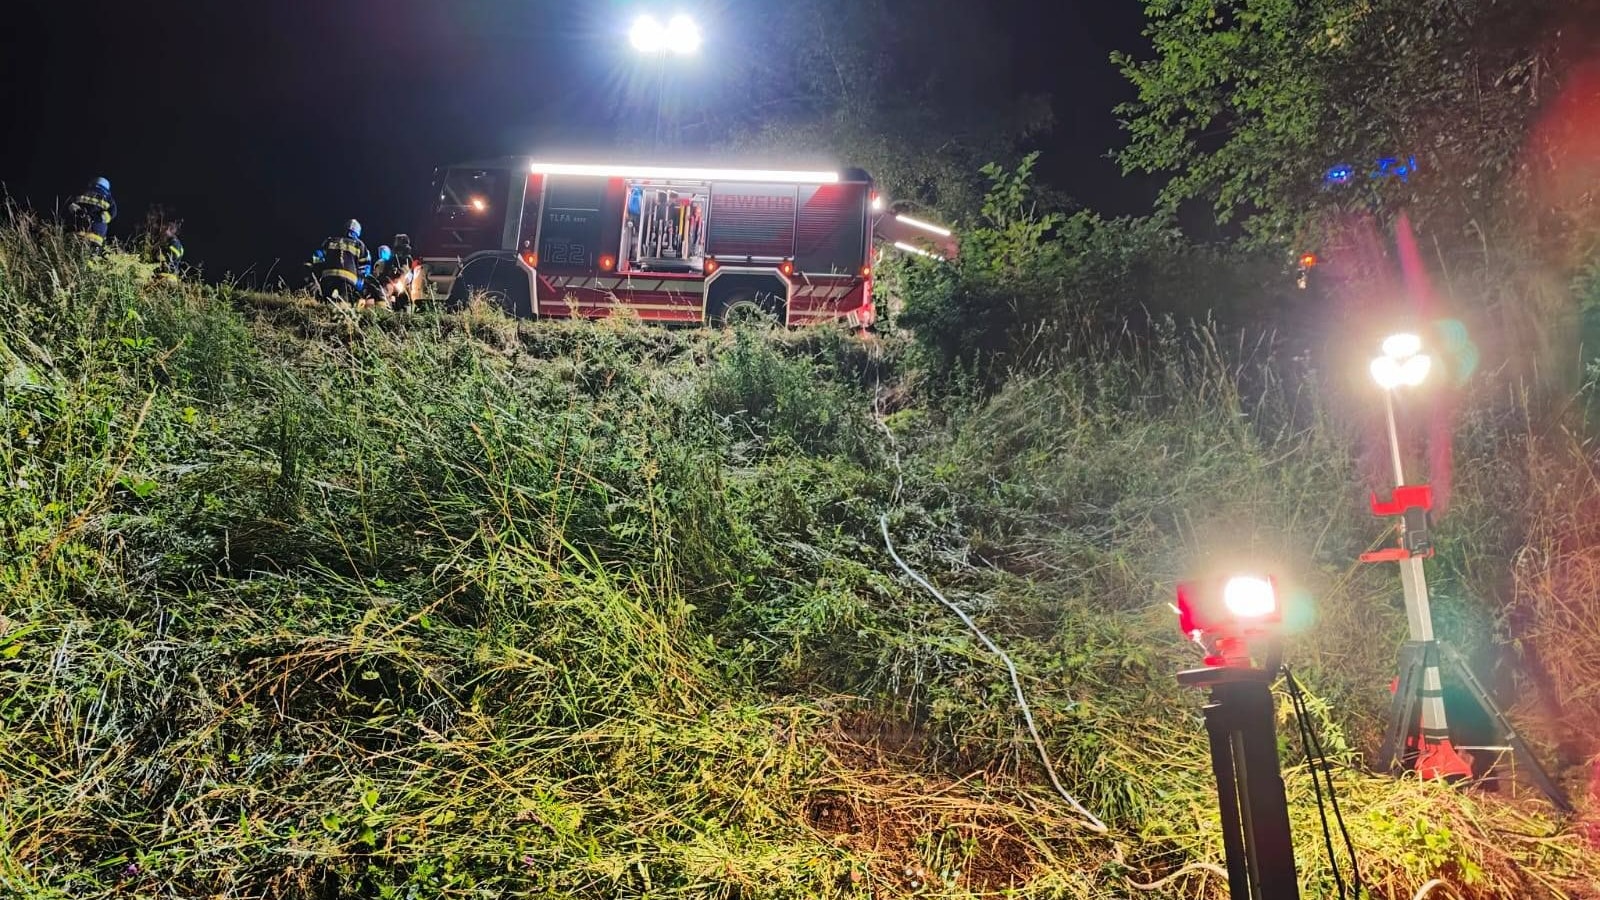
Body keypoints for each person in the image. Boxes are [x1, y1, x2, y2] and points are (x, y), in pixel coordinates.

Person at [313, 219, 371, 303]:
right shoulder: (359, 245)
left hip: (328, 277)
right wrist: (360, 284)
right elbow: (365, 267)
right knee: (342, 306)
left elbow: (317, 257)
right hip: (348, 281)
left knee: (326, 303)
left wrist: (318, 272)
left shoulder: (330, 240)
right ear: (357, 232)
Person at [68, 177, 117, 250]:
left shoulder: (82, 192)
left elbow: (70, 204)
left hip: (77, 230)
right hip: (96, 234)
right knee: (92, 256)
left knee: (73, 254)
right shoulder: (108, 198)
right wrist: (98, 218)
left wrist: (79, 212)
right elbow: (112, 213)